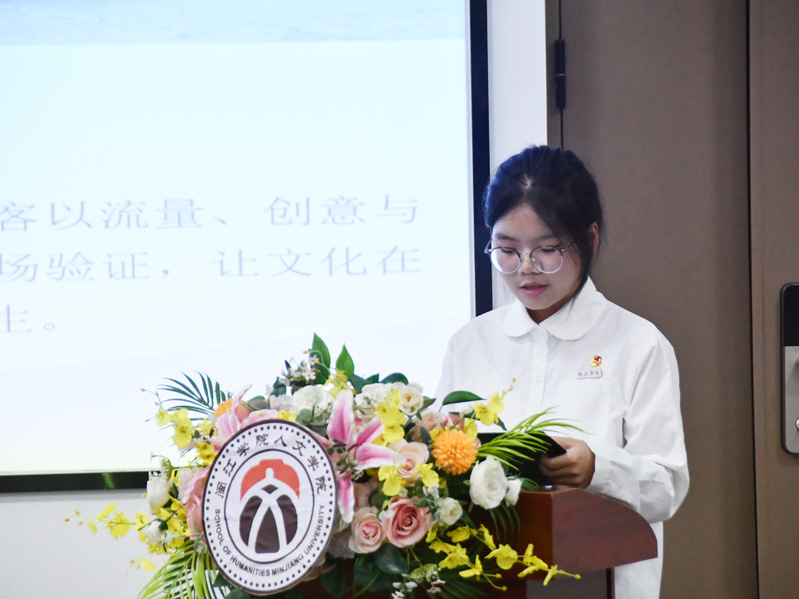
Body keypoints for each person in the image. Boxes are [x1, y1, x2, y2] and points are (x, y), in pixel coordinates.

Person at [435, 145, 689, 599]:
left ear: (589, 239)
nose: (526, 269)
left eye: (547, 250)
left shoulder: (638, 343)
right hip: (489, 582)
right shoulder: (469, 343)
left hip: (602, 581)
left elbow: (667, 487)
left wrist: (596, 468)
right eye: (507, 250)